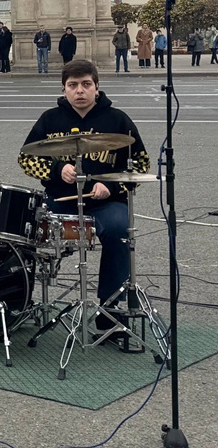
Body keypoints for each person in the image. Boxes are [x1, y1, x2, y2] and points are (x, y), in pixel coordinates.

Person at [18, 60, 151, 328]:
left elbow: (140, 164)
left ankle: (110, 310)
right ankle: (19, 304)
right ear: (64, 89)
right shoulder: (50, 119)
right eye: (73, 85)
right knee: (23, 231)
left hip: (106, 203)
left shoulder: (118, 120)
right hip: (61, 201)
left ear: (97, 87)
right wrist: (57, 169)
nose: (80, 91)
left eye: (86, 84)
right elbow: (25, 159)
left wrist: (111, 187)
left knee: (119, 230)